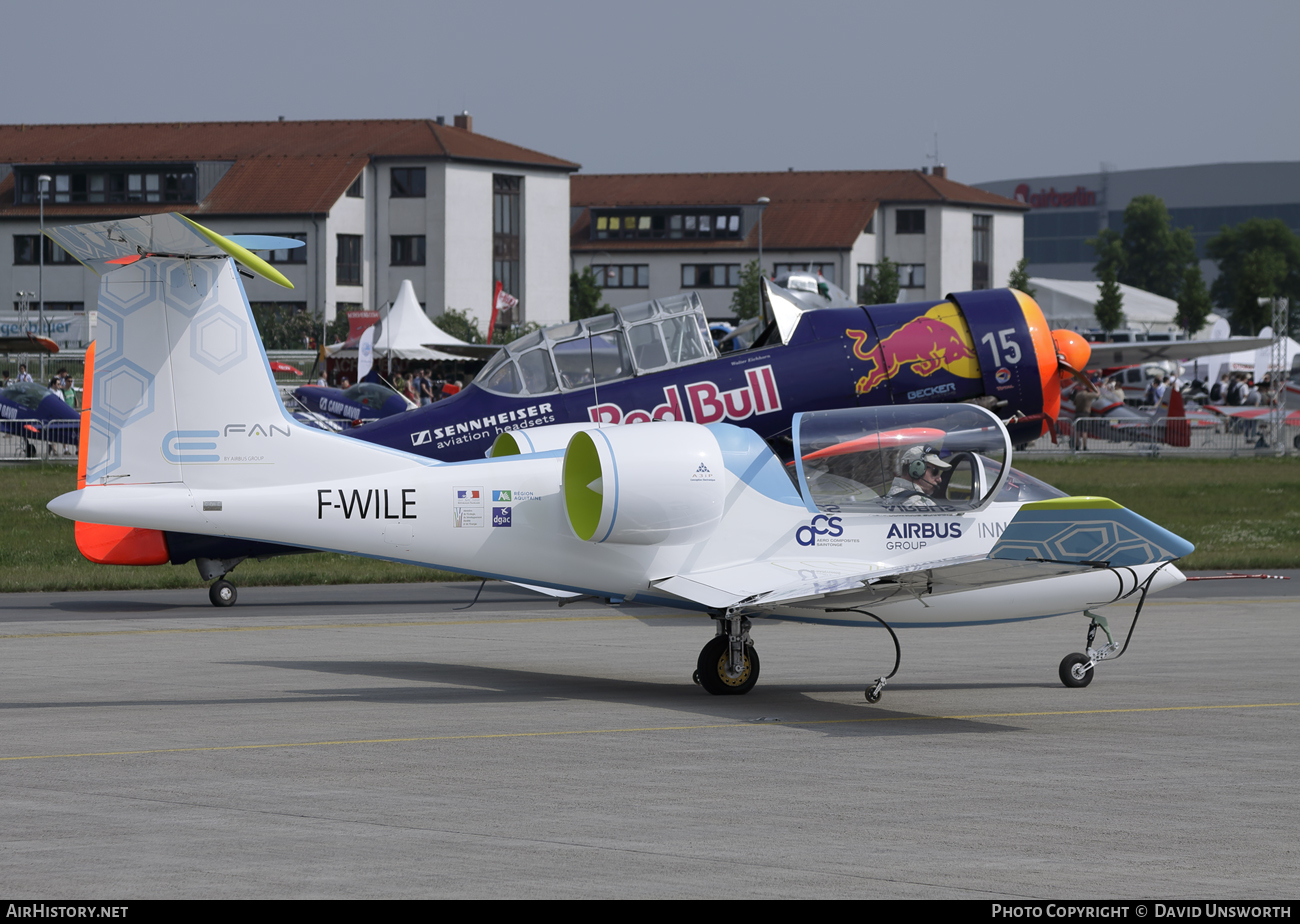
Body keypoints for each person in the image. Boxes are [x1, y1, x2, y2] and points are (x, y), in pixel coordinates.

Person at [886, 444, 950, 507]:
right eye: (935, 472)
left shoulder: (889, 497)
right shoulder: (918, 504)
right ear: (916, 469)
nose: (939, 479)